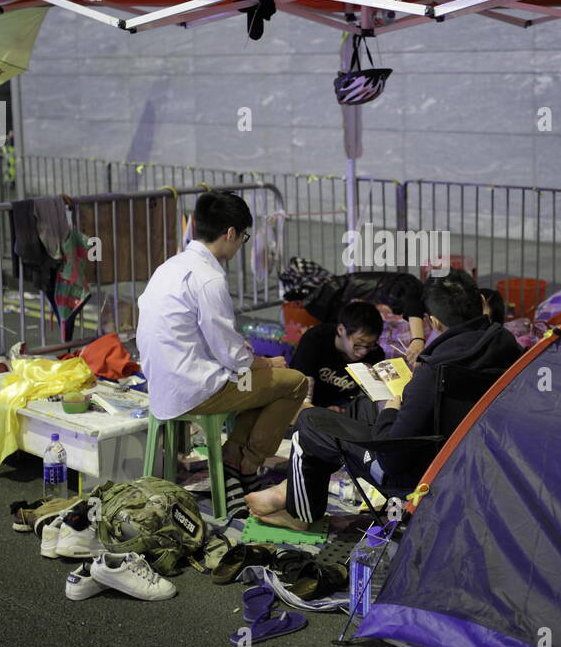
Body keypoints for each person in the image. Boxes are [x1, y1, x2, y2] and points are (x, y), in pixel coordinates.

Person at [246, 275, 521, 530]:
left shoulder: (435, 370)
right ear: (482, 303)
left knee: (310, 423)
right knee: (363, 407)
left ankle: (300, 514)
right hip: (478, 466)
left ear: (434, 322)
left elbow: (392, 458)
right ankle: (293, 488)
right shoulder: (510, 349)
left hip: (417, 478)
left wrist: (391, 411)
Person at [136, 191, 307, 516]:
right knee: (294, 382)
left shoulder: (170, 266)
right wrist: (266, 362)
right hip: (195, 389)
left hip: (161, 383)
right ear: (230, 233)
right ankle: (245, 466)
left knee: (259, 379)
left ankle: (233, 458)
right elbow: (234, 356)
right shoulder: (209, 278)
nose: (241, 244)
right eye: (243, 237)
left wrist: (253, 364)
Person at [290, 301, 386, 411]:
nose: (363, 352)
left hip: (340, 409)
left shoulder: (375, 355)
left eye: (370, 345)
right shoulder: (316, 339)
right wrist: (312, 411)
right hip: (301, 402)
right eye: (358, 344)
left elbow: (368, 397)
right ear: (341, 330)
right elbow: (302, 385)